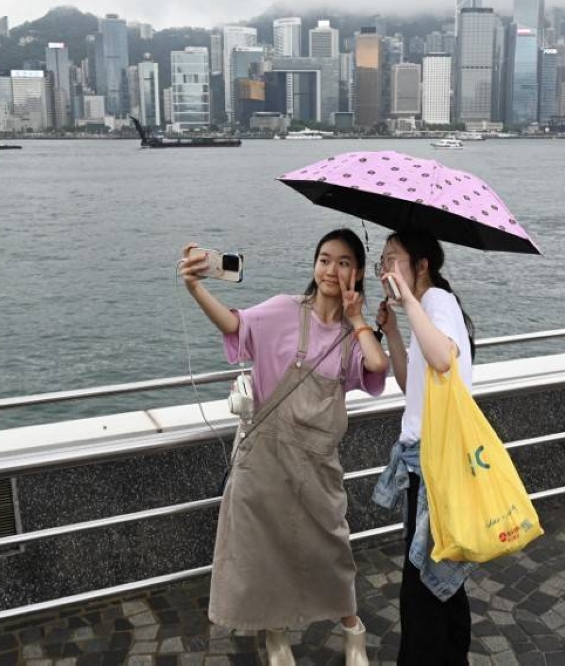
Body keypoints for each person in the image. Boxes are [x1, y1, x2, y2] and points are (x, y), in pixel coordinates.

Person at [179, 228, 388, 666]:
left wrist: (357, 319)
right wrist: (196, 287)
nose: (332, 269)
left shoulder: (355, 335)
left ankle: (354, 630)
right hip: (266, 456)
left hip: (317, 463)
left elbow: (376, 365)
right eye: (325, 259)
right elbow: (236, 325)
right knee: (266, 550)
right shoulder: (282, 310)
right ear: (314, 265)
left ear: (359, 272)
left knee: (332, 547)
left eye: (344, 262)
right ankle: (276, 637)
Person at [372, 229, 478, 664]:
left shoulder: (438, 303)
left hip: (437, 466)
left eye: (393, 259)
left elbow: (442, 359)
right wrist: (393, 330)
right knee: (438, 583)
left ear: (422, 266)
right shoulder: (425, 310)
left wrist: (411, 303)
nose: (384, 269)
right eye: (381, 260)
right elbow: (409, 381)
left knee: (421, 590)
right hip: (427, 465)